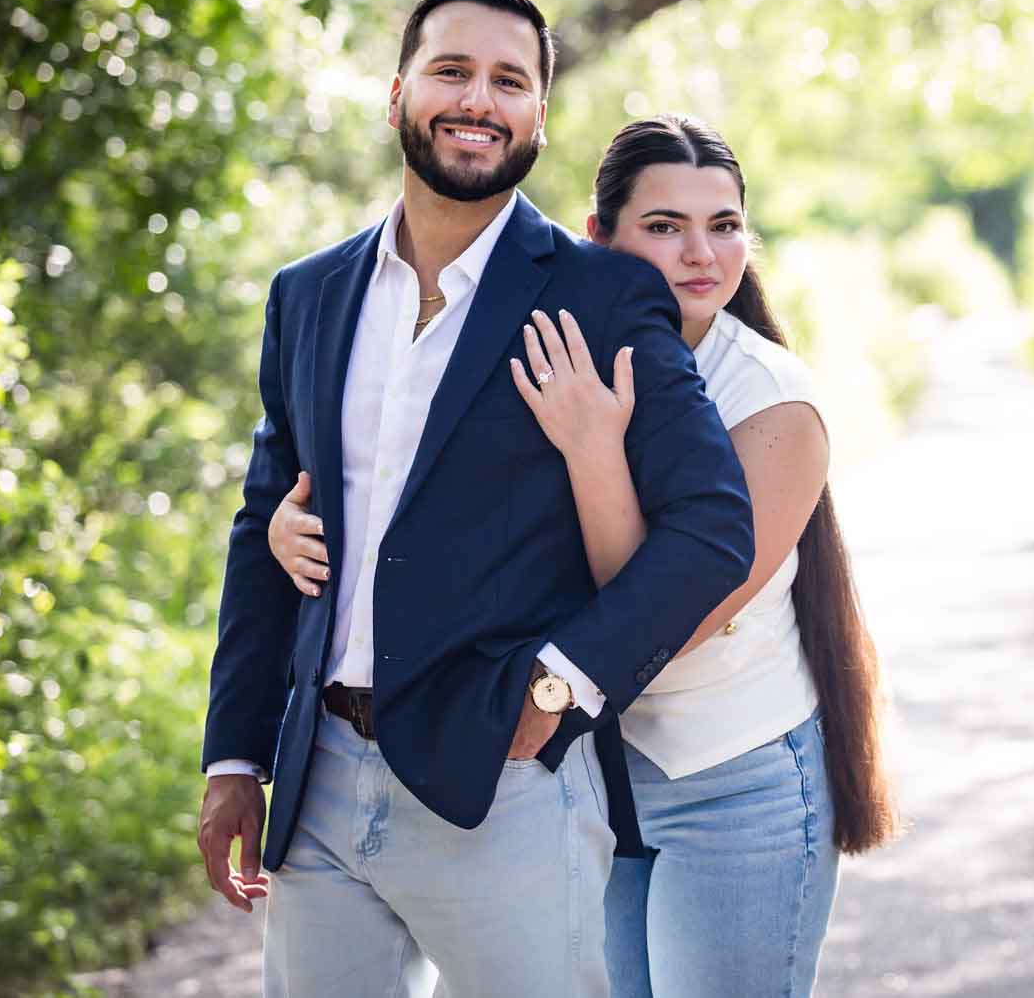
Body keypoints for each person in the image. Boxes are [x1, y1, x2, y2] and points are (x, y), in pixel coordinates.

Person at [196, 0, 755, 998]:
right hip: (316, 775)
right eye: (452, 70)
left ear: (539, 114)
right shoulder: (308, 294)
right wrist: (233, 755)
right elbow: (261, 522)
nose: (478, 99)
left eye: (509, 80)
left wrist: (560, 685)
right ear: (398, 91)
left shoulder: (601, 293)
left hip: (503, 782)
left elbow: (713, 528)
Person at [269, 115, 898, 996]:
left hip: (730, 783)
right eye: (664, 226)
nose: (700, 255)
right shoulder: (556, 343)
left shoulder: (773, 405)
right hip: (590, 772)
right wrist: (292, 526)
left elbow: (671, 609)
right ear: (595, 238)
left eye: (724, 226)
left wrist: (593, 447)